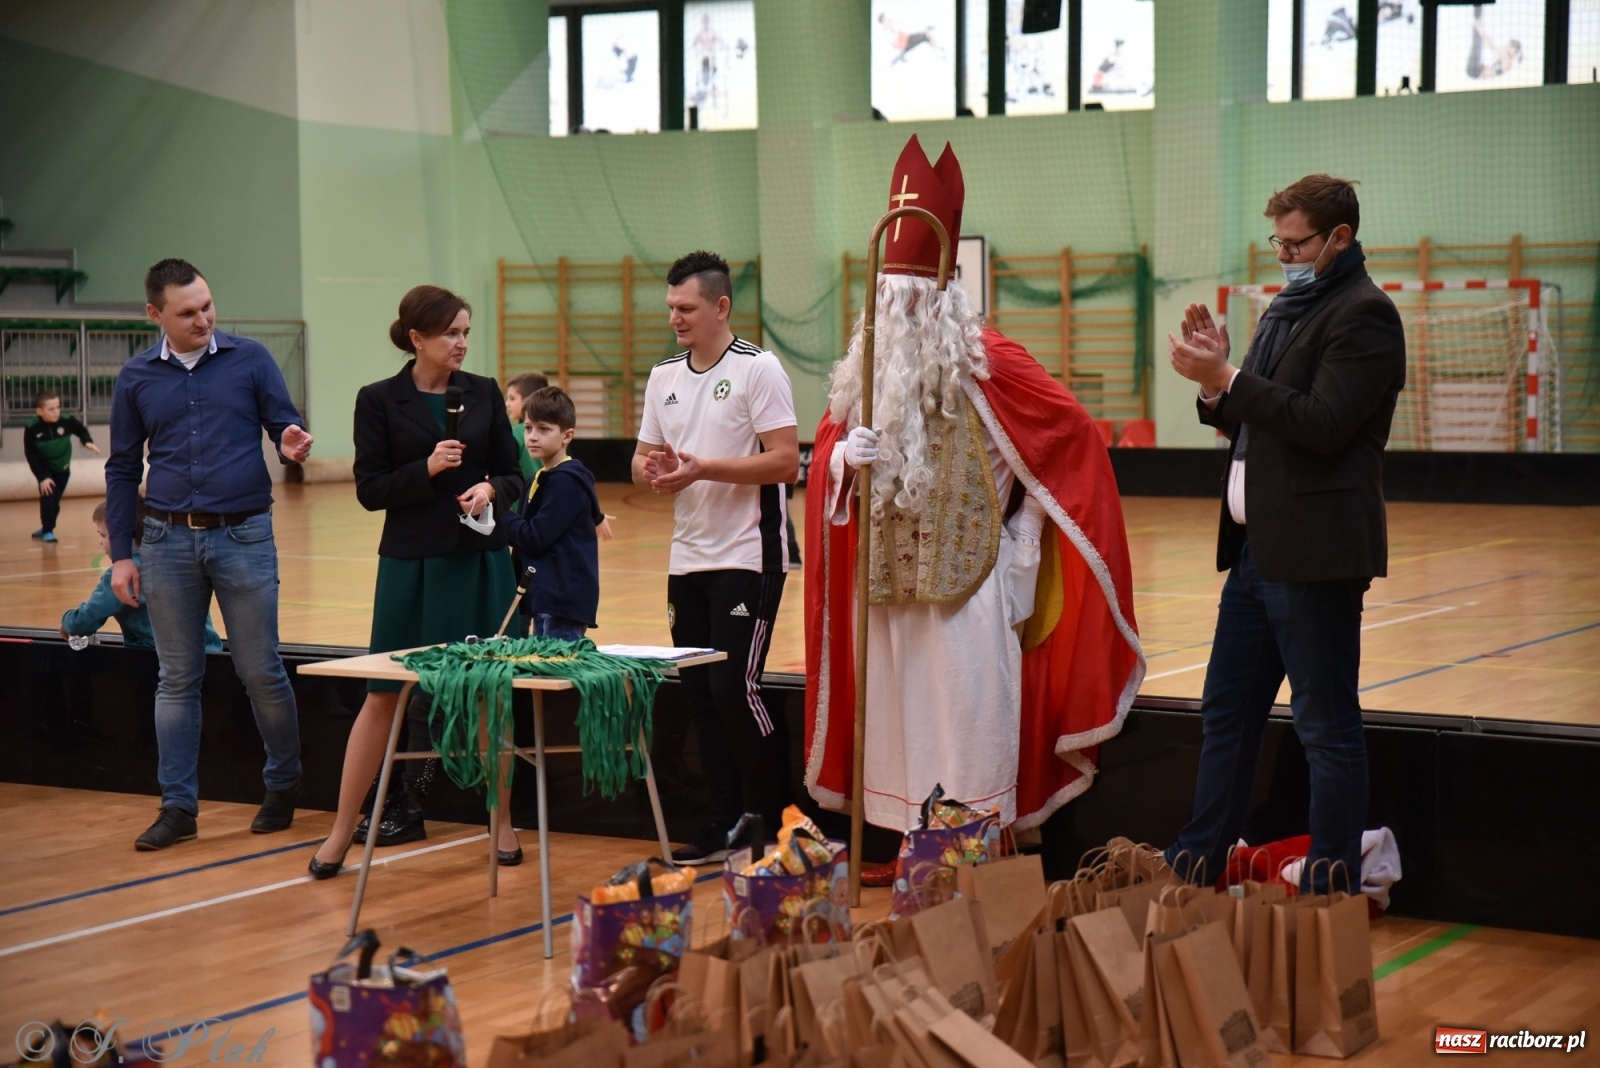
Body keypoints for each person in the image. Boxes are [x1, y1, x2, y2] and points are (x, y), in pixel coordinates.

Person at [803, 137, 1145, 881]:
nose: (897, 313)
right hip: (887, 594)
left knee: (965, 720)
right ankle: (909, 857)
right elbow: (824, 465)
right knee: (895, 723)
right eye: (887, 298)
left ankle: (976, 860)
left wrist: (1024, 531)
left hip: (971, 585)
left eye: (911, 299)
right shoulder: (863, 373)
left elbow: (1074, 440)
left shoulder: (991, 363)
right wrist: (837, 462)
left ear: (946, 291)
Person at [1163, 174, 1406, 893]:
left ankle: (1331, 880)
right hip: (1254, 556)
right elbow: (1248, 416)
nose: (1285, 255)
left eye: (1296, 242)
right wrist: (1214, 385)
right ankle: (1197, 862)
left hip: (1316, 556)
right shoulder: (1284, 310)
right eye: (1278, 242)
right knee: (1226, 715)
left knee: (1325, 726)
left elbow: (1324, 425)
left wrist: (1230, 375)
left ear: (1339, 238)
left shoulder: (1365, 315)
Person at [309, 285, 527, 878]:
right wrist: (426, 468)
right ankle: (338, 833)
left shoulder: (482, 392)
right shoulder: (377, 400)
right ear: (417, 338)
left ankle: (502, 821)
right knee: (385, 694)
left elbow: (512, 473)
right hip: (410, 567)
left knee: (488, 694)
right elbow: (370, 489)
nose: (461, 343)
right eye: (450, 333)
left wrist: (491, 490)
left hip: (477, 563)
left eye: (466, 332)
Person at [107, 258, 313, 851]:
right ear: (156, 315)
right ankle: (178, 807)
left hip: (244, 536)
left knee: (259, 670)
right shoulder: (137, 377)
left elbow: (285, 426)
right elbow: (122, 469)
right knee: (176, 678)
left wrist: (292, 442)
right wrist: (123, 554)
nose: (204, 319)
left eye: (208, 306)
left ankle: (283, 785)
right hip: (166, 543)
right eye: (188, 312)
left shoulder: (249, 359)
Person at [633, 250, 799, 864]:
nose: (675, 318)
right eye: (671, 308)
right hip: (688, 558)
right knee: (701, 692)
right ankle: (724, 820)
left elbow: (786, 460)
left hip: (748, 555)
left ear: (721, 307)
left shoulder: (760, 370)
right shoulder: (664, 377)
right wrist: (654, 468)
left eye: (687, 308)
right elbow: (642, 455)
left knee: (737, 687)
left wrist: (706, 467)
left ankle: (774, 820)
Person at [62, 501, 224, 743]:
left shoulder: (120, 576)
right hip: (209, 654)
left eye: (103, 535)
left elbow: (85, 621)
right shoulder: (177, 563)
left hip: (154, 664)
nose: (100, 542)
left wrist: (66, 622)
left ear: (122, 538)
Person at [500, 386, 603, 640]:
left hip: (562, 601)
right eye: (528, 428)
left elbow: (535, 537)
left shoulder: (566, 481)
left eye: (544, 429)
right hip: (543, 597)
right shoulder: (538, 477)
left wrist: (499, 510)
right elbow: (520, 535)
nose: (533, 436)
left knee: (555, 674)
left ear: (567, 436)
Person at [25, 387, 99, 543]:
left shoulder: (67, 421)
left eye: (58, 407)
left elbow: (81, 430)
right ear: (39, 411)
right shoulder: (32, 428)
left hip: (63, 469)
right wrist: (43, 477)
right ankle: (48, 530)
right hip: (45, 470)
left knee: (54, 501)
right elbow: (31, 455)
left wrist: (87, 441)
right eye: (51, 409)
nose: (56, 412)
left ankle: (46, 526)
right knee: (49, 498)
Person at [504, 371, 550, 480]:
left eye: (512, 398)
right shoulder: (555, 432)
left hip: (523, 496)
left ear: (528, 400)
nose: (507, 403)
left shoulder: (515, 434)